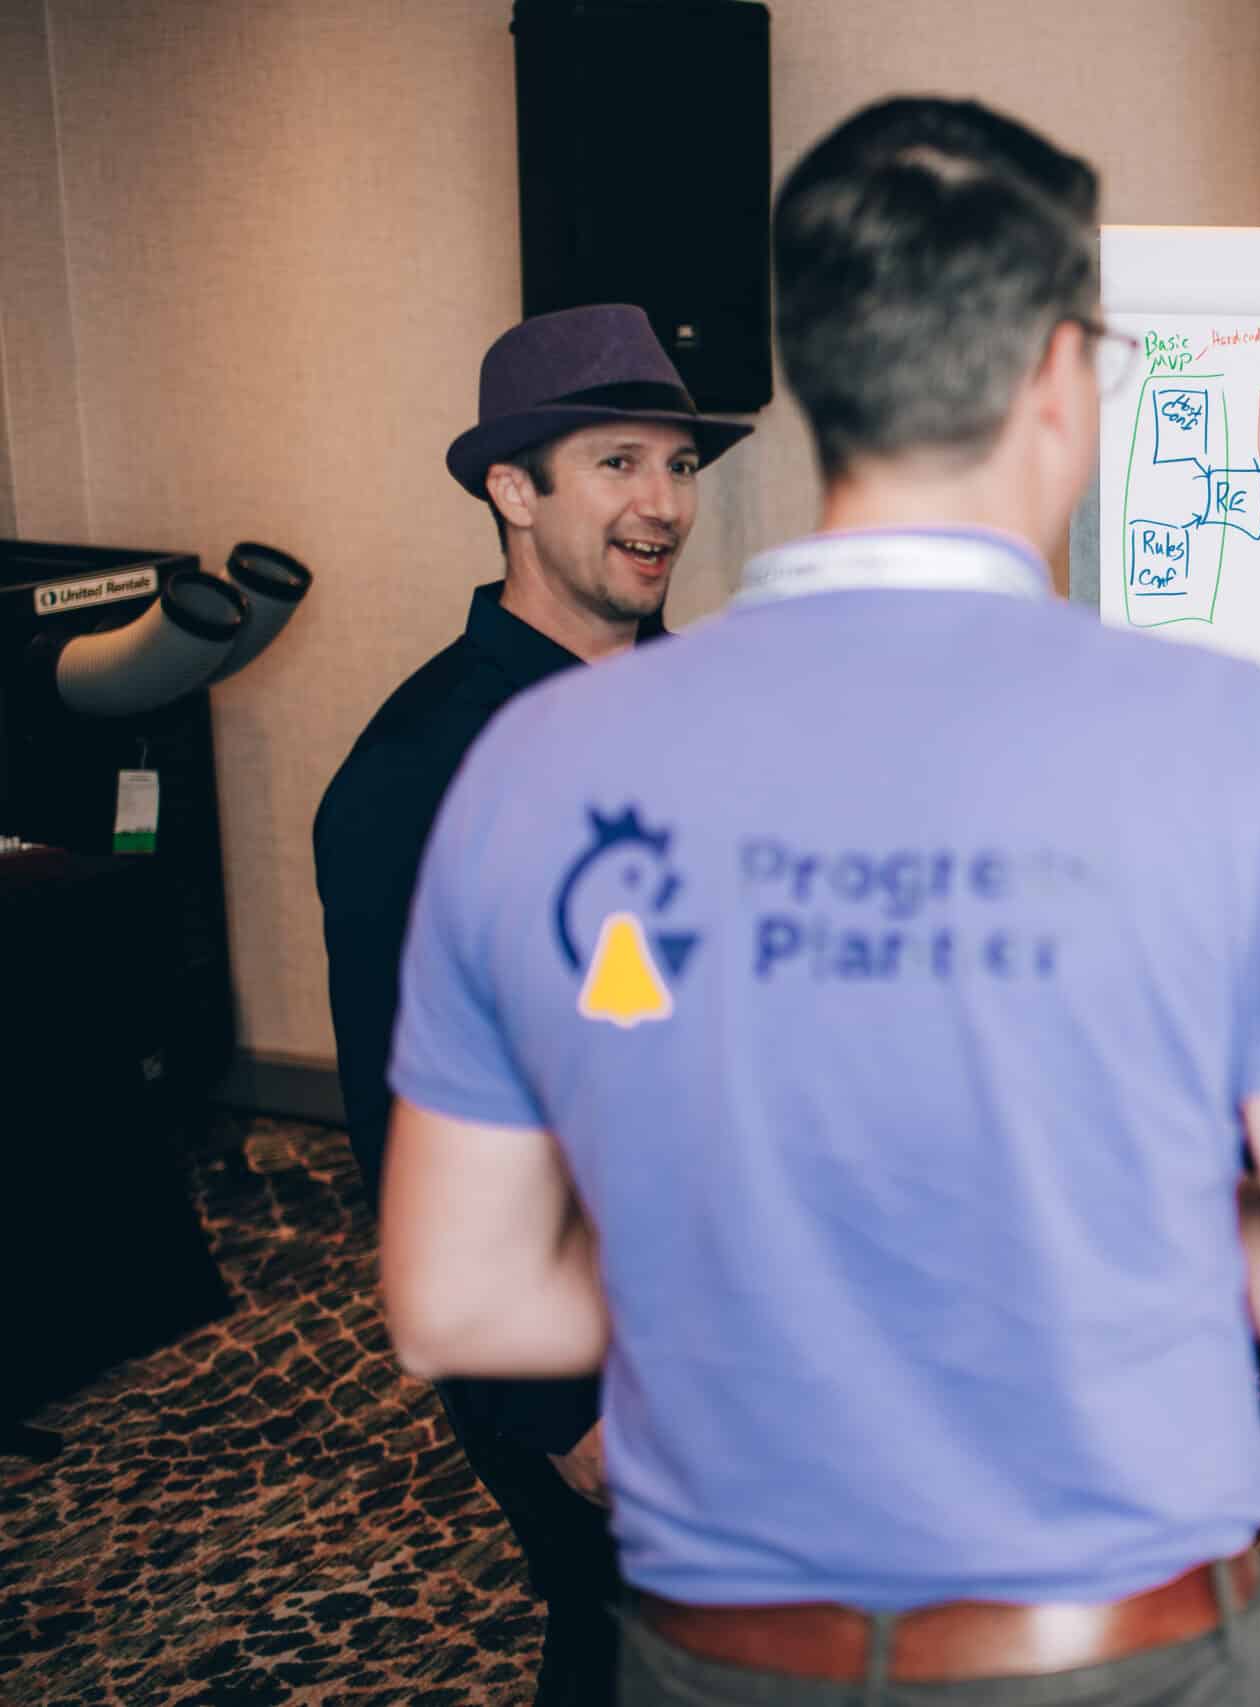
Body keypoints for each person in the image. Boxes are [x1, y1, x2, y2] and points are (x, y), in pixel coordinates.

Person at [374, 95, 1260, 1707]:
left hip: (727, 1654)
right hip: (1123, 1655)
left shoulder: (541, 763)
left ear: (821, 384)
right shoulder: (1228, 747)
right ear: (1060, 380)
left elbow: (455, 1293)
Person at [314, 302, 748, 1704]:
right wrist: (553, 1403)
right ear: (514, 489)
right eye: (618, 462)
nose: (663, 503)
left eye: (679, 465)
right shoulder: (418, 770)